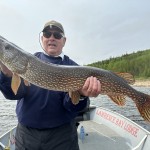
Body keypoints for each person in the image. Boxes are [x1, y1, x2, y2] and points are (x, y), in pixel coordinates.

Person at [0, 20, 101, 150]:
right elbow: (14, 94)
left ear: (64, 41)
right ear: (42, 38)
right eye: (47, 34)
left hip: (62, 137)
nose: (52, 38)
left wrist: (81, 95)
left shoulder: (74, 67)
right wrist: (7, 74)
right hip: (26, 136)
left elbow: (72, 107)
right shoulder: (28, 62)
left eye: (57, 35)